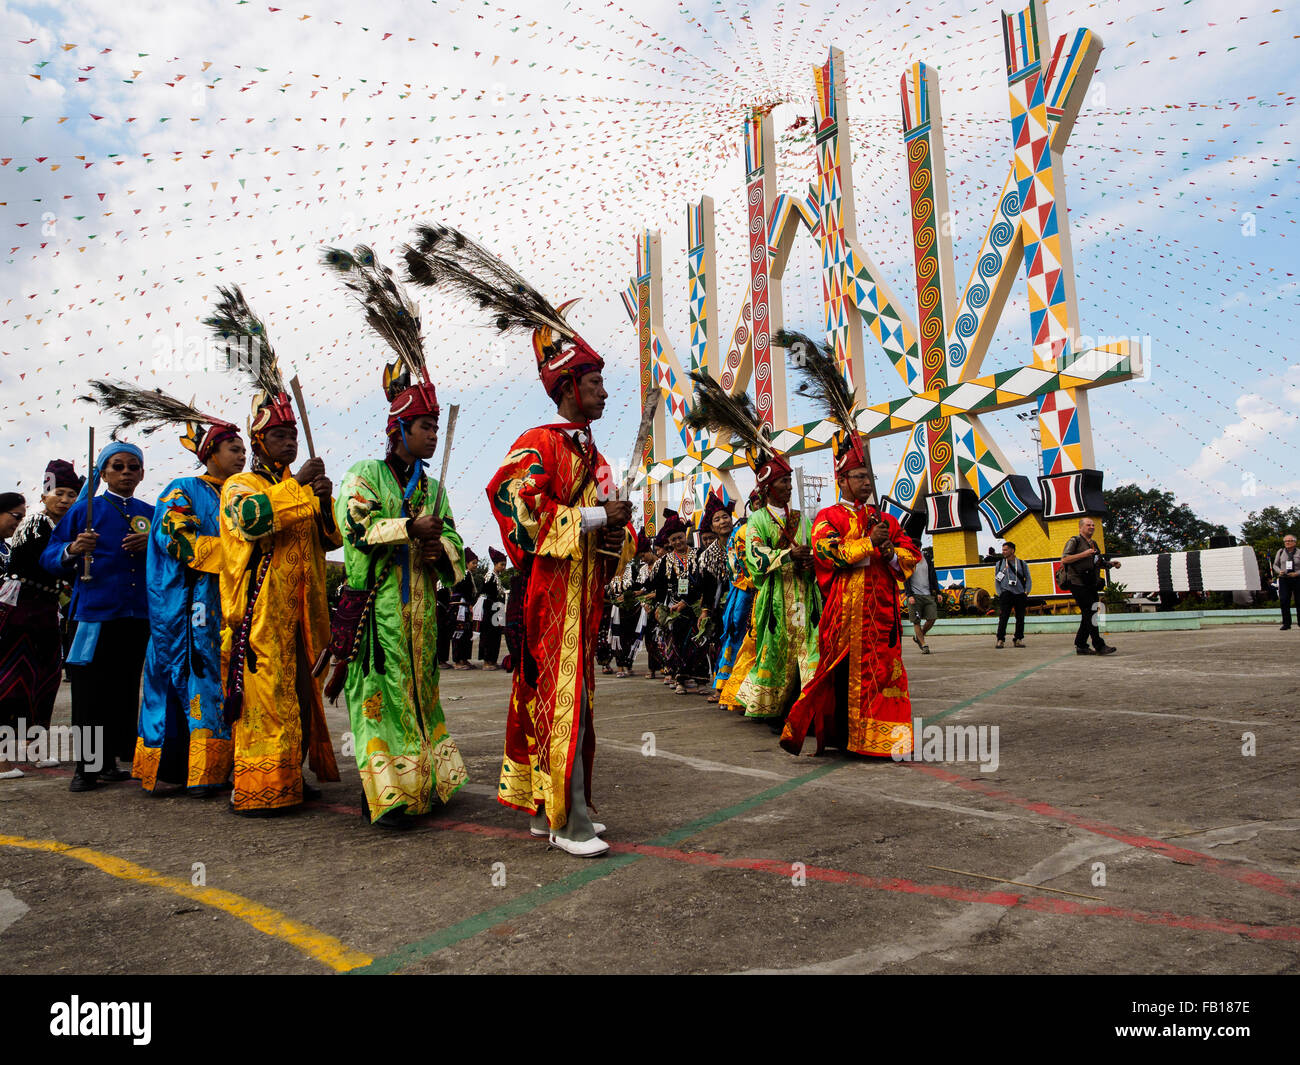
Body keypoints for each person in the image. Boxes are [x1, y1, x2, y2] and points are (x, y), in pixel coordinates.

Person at [408, 223, 638, 858]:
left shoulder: (595, 455)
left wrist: (622, 528)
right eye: (595, 382)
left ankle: (555, 805)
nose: (605, 390)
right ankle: (570, 820)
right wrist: (594, 520)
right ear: (568, 388)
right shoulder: (540, 442)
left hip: (581, 599)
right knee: (562, 698)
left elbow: (617, 536)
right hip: (551, 596)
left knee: (567, 702)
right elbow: (510, 496)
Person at [209, 285, 342, 815]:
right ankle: (263, 785)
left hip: (303, 613)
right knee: (266, 702)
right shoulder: (242, 485)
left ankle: (292, 775)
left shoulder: (298, 485)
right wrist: (300, 490)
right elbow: (253, 523)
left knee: (299, 697)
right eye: (280, 435)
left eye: (293, 435)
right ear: (259, 440)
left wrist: (324, 503)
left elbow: (328, 541)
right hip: (261, 613)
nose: (289, 443)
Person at [332, 350, 469, 827]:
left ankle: (425, 786)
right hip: (377, 612)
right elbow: (354, 524)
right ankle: (388, 795)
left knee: (418, 694)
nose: (432, 435)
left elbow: (454, 538)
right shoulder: (364, 474)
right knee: (377, 698)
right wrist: (409, 527)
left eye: (435, 427)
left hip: (421, 615)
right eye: (425, 427)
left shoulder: (435, 489)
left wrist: (441, 551)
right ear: (398, 431)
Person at [781, 432, 921, 757]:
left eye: (868, 476)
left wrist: (889, 553)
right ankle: (845, 738)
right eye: (859, 476)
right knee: (840, 678)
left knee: (883, 674)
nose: (866, 483)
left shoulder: (885, 519)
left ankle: (880, 741)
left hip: (882, 613)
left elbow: (910, 554)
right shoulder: (829, 517)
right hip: (844, 615)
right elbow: (827, 552)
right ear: (842, 479)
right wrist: (870, 542)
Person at [131, 404, 247, 796]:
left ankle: (228, 766)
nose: (241, 454)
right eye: (233, 448)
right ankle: (193, 772)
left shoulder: (244, 492)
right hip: (192, 606)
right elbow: (175, 536)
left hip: (234, 603)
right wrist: (236, 556)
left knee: (232, 683)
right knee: (195, 680)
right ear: (210, 454)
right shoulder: (183, 489)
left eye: (243, 448)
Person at [42, 443, 154, 791]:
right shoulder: (83, 511)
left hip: (137, 615)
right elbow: (48, 556)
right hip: (93, 615)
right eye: (117, 466)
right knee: (91, 692)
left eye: (132, 467)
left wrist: (151, 543)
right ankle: (86, 768)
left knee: (124, 690)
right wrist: (73, 549)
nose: (125, 472)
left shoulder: (153, 512)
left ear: (141, 474)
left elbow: (173, 554)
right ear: (103, 473)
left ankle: (112, 762)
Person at [0, 464, 80, 777]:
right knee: (13, 682)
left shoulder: (68, 526)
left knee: (46, 682)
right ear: (45, 494)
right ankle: (3, 757)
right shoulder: (34, 523)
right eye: (58, 493)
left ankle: (35, 749)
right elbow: (49, 560)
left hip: (47, 611)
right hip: (20, 608)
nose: (64, 499)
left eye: (71, 494)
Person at [651, 509, 716, 695]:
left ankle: (701, 680)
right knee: (678, 643)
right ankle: (680, 679)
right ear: (669, 542)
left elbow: (708, 583)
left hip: (696, 606)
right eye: (673, 540)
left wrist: (704, 608)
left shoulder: (699, 555)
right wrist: (658, 607)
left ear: (684, 536)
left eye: (680, 538)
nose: (678, 542)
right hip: (674, 607)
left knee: (699, 642)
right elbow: (660, 588)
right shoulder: (665, 562)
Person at [1060, 516, 1121, 656]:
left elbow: (1097, 561)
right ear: (1081, 527)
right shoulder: (1074, 541)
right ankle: (1099, 645)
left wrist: (1111, 564)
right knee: (1089, 612)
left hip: (1090, 582)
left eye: (1093, 525)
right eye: (1088, 525)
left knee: (1090, 613)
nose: (1092, 527)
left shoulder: (1093, 544)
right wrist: (1084, 554)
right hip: (1076, 582)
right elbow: (1065, 559)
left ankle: (1081, 645)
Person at [994, 539, 1031, 648]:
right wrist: (1000, 593)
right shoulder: (999, 563)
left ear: (1012, 550)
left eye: (1006, 550)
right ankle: (1000, 639)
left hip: (1020, 593)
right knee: (1003, 617)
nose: (1003, 552)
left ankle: (1018, 638)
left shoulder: (1021, 563)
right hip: (1006, 593)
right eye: (1003, 550)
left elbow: (1028, 578)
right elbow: (997, 579)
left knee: (1020, 617)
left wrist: (1026, 591)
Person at [450, 548, 481, 669]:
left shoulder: (467, 574)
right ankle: (458, 661)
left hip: (465, 607)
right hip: (460, 608)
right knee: (459, 634)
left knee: (466, 633)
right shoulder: (464, 574)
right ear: (466, 563)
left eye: (476, 563)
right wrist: (470, 603)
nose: (475, 565)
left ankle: (464, 658)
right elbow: (465, 591)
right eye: (473, 562)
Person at [904, 545, 938, 654]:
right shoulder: (908, 559)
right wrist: (909, 595)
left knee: (932, 617)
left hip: (927, 594)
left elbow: (933, 575)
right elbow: (906, 578)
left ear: (919, 547)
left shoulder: (927, 558)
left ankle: (919, 635)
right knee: (916, 621)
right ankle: (924, 645)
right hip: (915, 595)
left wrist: (937, 592)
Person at [478, 546, 508, 668]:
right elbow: (485, 593)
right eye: (502, 564)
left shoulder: (497, 577)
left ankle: (493, 660)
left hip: (497, 608)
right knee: (489, 635)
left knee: (496, 635)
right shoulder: (490, 576)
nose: (504, 567)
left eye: (505, 565)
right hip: (491, 609)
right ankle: (487, 661)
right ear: (495, 563)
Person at [1273, 533, 1298, 630]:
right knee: (1284, 600)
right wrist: (1279, 571)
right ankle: (1286, 624)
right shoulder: (1280, 552)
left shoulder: (1299, 552)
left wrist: (1297, 573)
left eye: (1289, 541)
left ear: (1294, 542)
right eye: (1286, 541)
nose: (1287, 542)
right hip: (1284, 578)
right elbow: (1275, 565)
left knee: (1299, 601)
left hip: (1297, 579)